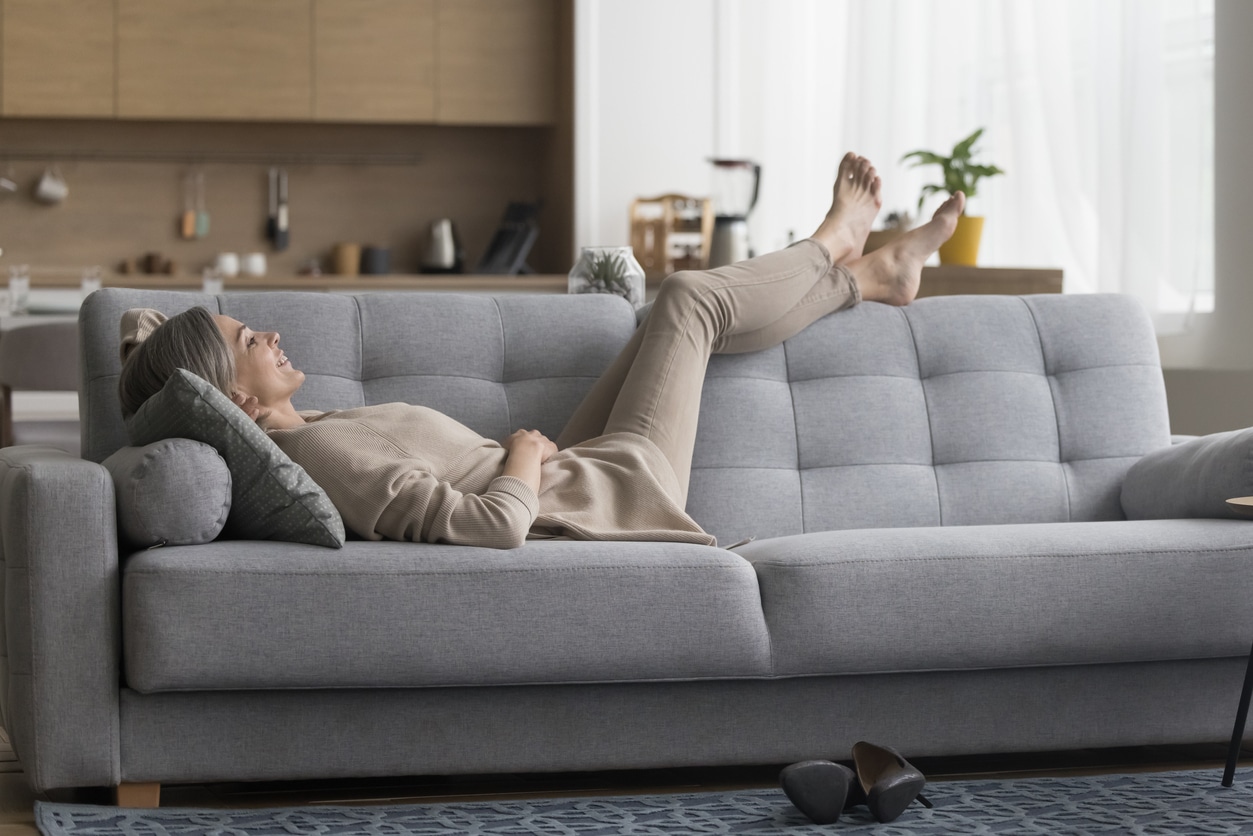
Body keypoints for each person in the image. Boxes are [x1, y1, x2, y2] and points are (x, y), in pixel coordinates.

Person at [118, 154, 964, 549]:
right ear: (240, 403)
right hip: (601, 495)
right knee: (689, 298)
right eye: (247, 343)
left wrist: (146, 337)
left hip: (572, 469)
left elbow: (153, 346)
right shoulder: (328, 452)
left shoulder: (309, 428)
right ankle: (838, 242)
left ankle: (878, 275)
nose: (267, 332)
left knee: (668, 316)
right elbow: (487, 529)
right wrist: (522, 457)